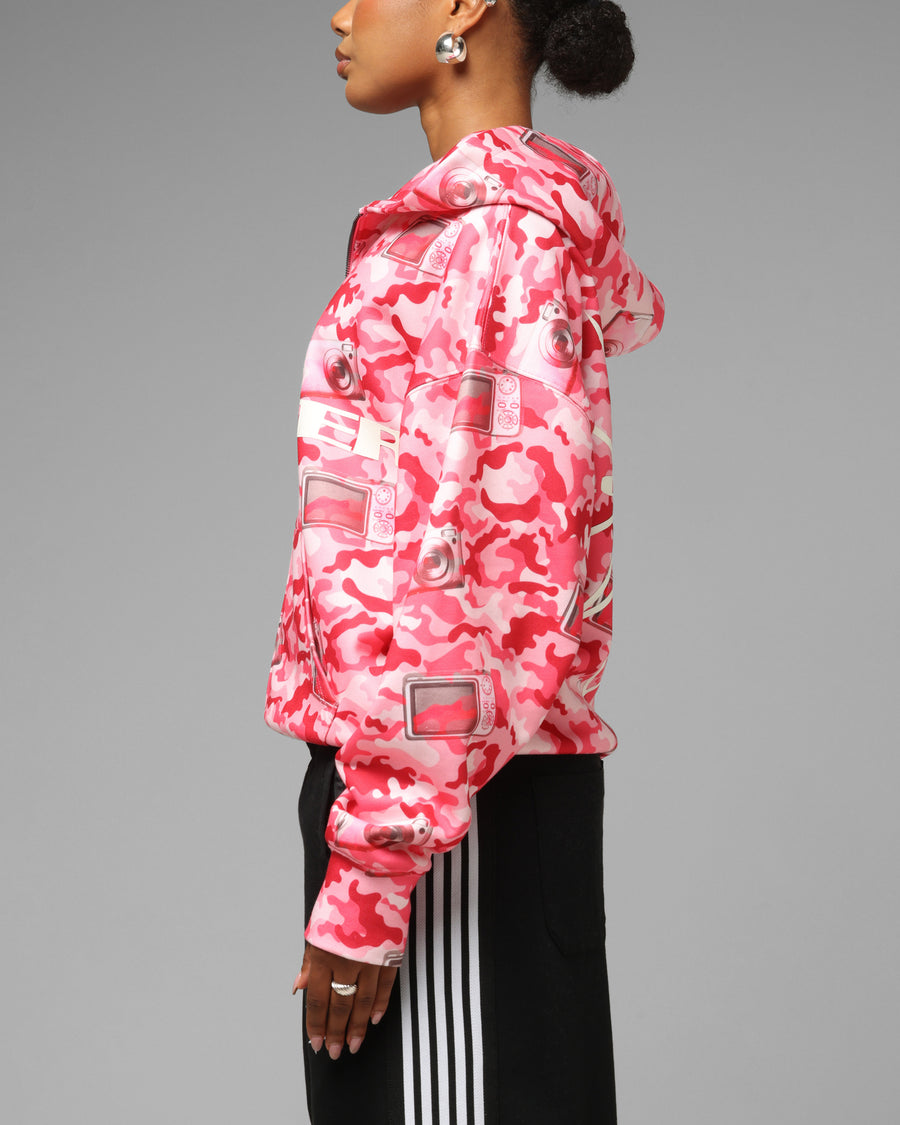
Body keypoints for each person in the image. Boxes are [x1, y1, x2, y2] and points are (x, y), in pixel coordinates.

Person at [265, 1, 664, 1121]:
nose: (341, 13)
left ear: (463, 6)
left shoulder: (500, 240)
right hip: (424, 794)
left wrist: (376, 869)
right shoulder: (463, 231)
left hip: (450, 807)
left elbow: (486, 566)